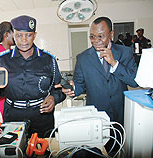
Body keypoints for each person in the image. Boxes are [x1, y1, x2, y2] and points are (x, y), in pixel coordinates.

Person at [57, 16, 138, 156]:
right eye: (92, 37)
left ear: (111, 34)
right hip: (96, 117)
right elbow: (79, 85)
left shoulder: (124, 52)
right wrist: (73, 89)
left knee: (118, 151)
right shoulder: (83, 58)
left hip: (120, 115)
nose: (96, 41)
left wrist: (114, 64)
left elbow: (134, 81)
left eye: (101, 36)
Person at [0, 15, 66, 138]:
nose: (24, 40)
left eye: (28, 35)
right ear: (13, 35)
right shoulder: (3, 60)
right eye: (19, 35)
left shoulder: (48, 60)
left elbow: (60, 89)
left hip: (41, 117)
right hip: (13, 117)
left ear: (34, 35)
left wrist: (54, 98)